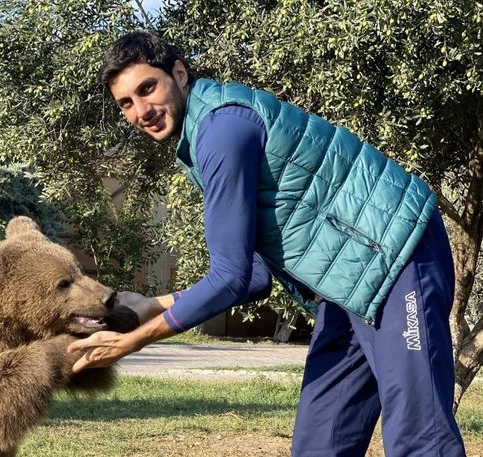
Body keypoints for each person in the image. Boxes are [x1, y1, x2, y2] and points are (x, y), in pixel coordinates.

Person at [67, 31, 465, 456]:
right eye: (126, 103)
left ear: (179, 74)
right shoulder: (204, 138)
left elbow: (231, 278)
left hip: (397, 259)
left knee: (420, 440)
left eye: (148, 88)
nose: (141, 111)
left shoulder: (223, 130)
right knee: (320, 444)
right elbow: (254, 276)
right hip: (343, 285)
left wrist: (133, 340)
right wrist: (155, 304)